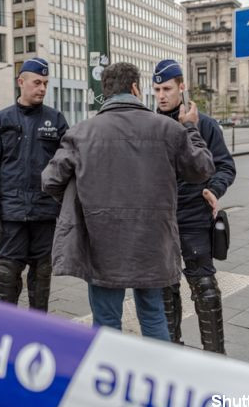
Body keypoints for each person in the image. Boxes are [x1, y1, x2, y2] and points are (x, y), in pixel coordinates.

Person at [42, 62, 215, 340]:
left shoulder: (81, 133)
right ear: (135, 88)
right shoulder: (167, 129)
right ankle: (156, 378)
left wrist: (84, 197)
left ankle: (110, 379)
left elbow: (50, 181)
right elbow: (202, 168)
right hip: (152, 244)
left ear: (105, 91)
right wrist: (192, 128)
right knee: (153, 316)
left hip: (101, 244)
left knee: (107, 321)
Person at [153, 59, 236, 354]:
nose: (161, 96)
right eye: (157, 90)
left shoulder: (206, 125)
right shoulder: (151, 125)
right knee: (165, 288)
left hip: (193, 218)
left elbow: (225, 166)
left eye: (167, 89)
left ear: (182, 87)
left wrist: (214, 190)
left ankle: (215, 355)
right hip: (160, 220)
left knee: (205, 286)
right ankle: (172, 351)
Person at [0, 57, 68, 312]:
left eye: (45, 83)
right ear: (21, 82)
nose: (42, 88)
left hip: (45, 213)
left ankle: (38, 326)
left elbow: (68, 166)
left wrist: (64, 208)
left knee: (42, 274)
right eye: (37, 82)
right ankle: (6, 323)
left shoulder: (56, 120)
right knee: (8, 273)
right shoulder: (2, 120)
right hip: (13, 214)